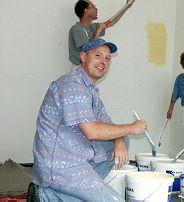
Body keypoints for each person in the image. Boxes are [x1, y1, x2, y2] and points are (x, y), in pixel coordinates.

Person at [32, 38, 147, 201]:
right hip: (61, 166)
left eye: (107, 58)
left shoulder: (89, 90)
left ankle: (63, 194)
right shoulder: (71, 85)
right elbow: (92, 131)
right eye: (98, 55)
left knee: (121, 141)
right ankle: (47, 194)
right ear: (83, 56)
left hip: (78, 158)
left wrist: (120, 138)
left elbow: (109, 126)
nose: (104, 61)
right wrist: (131, 127)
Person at [68, 0, 134, 65]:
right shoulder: (76, 29)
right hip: (79, 69)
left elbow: (111, 22)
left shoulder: (93, 27)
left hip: (90, 67)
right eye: (93, 6)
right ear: (86, 10)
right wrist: (98, 30)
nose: (96, 9)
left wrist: (126, 6)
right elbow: (90, 50)